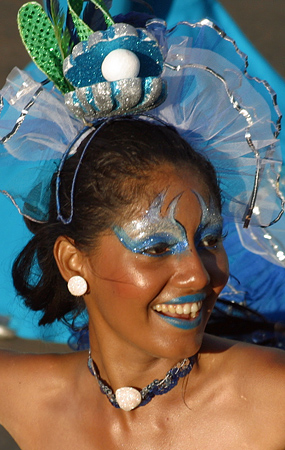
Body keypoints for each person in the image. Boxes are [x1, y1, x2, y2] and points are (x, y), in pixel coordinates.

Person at [0, 1, 285, 448]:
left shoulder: (273, 401)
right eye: (155, 247)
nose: (200, 273)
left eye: (210, 239)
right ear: (73, 262)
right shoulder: (25, 394)